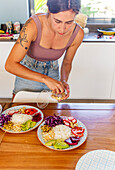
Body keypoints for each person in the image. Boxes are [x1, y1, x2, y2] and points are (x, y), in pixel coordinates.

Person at [5, 0, 84, 101]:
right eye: (57, 21)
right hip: (28, 72)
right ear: (49, 10)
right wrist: (45, 79)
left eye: (69, 22)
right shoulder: (32, 25)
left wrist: (64, 81)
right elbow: (10, 65)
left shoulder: (77, 34)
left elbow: (67, 62)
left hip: (53, 72)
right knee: (20, 111)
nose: (62, 29)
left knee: (51, 114)